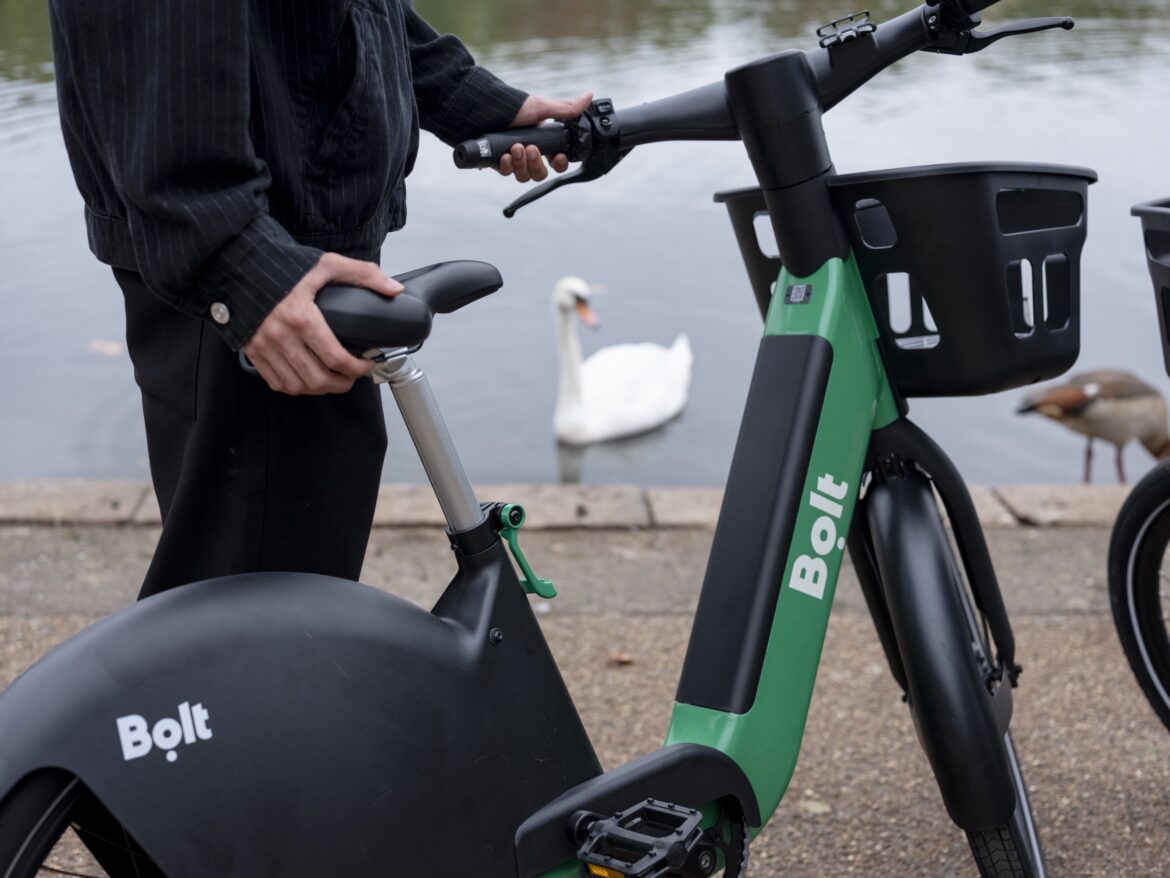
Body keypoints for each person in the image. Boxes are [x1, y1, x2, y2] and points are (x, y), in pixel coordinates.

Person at [47, 0, 588, 598]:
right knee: (248, 627)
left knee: (288, 602)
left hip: (301, 249)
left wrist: (470, 100)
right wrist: (234, 259)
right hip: (269, 265)